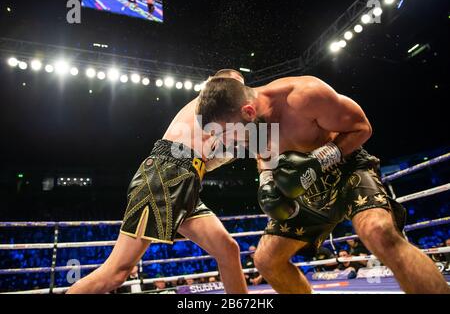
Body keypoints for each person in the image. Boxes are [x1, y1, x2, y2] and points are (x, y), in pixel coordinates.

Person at [196, 75, 450, 294]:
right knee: (266, 260)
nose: (231, 143)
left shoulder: (305, 96)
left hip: (347, 169)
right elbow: (263, 155)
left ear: (249, 111)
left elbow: (362, 128)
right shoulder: (248, 125)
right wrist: (266, 180)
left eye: (229, 133)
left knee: (379, 232)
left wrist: (320, 159)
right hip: (303, 188)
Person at [67, 70, 248, 294]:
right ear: (215, 83)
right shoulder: (211, 97)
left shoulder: (218, 119)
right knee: (116, 273)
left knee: (228, 250)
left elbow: (217, 153)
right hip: (164, 176)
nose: (236, 92)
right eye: (234, 85)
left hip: (186, 182)